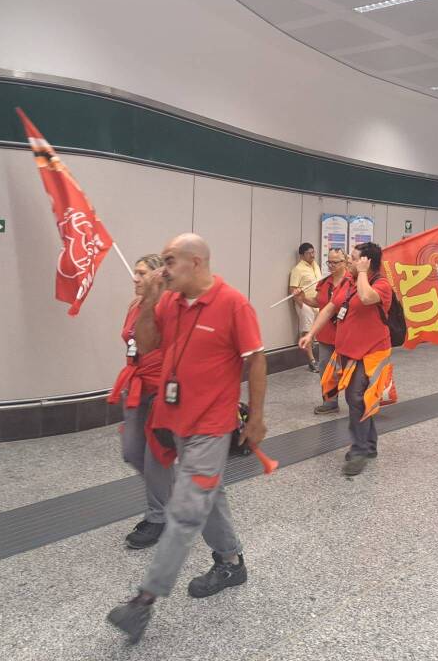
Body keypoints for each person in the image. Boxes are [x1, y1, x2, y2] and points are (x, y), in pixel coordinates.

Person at [107, 234, 267, 644]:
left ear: (196, 262)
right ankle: (231, 561)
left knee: (184, 510)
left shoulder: (233, 303)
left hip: (211, 428)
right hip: (175, 420)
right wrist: (148, 300)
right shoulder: (170, 302)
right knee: (208, 494)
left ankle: (143, 601)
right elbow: (145, 345)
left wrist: (257, 418)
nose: (163, 269)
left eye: (170, 261)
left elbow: (256, 360)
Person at [299, 242, 395, 476]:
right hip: (349, 352)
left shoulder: (381, 285)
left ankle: (360, 449)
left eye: (354, 258)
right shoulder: (347, 282)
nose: (349, 261)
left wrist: (362, 273)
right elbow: (330, 308)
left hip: (372, 352)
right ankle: (369, 444)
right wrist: (311, 334)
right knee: (361, 398)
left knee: (355, 397)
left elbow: (366, 297)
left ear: (367, 262)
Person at [107, 253, 173, 550]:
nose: (134, 278)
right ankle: (174, 496)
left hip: (161, 389)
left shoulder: (170, 308)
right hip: (135, 386)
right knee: (132, 452)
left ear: (158, 276)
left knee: (155, 455)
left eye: (142, 273)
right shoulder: (135, 305)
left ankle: (159, 516)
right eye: (134, 272)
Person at [296, 248, 348, 414]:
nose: (331, 266)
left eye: (336, 262)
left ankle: (360, 402)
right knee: (326, 369)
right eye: (329, 262)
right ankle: (330, 402)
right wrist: (303, 298)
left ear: (345, 261)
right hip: (326, 334)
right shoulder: (324, 282)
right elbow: (319, 302)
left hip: (347, 334)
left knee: (352, 370)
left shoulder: (352, 281)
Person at [289, 243, 322, 372]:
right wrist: (303, 306)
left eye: (313, 252)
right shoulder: (297, 270)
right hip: (305, 305)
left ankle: (319, 358)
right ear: (302, 255)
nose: (312, 255)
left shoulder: (316, 266)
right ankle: (312, 361)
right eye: (309, 253)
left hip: (317, 303)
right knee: (307, 331)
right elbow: (293, 290)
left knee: (316, 332)